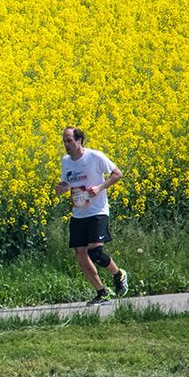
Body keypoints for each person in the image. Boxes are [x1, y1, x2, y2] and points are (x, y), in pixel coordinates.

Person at [56, 126, 130, 303]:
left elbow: (117, 174)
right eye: (64, 141)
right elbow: (67, 183)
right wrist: (62, 188)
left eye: (69, 140)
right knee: (81, 255)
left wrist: (99, 187)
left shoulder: (94, 156)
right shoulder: (66, 161)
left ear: (79, 140)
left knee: (95, 252)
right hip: (78, 213)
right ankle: (101, 293)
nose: (66, 144)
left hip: (97, 211)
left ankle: (118, 273)